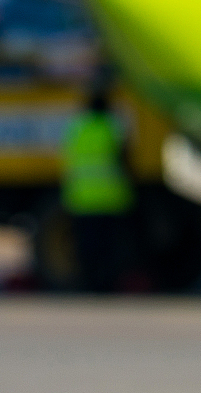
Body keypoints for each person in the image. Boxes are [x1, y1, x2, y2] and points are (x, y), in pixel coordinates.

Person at [62, 86, 134, 293]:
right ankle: (106, 283)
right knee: (108, 246)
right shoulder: (111, 127)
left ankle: (88, 282)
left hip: (82, 198)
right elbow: (124, 160)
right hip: (109, 198)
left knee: (87, 246)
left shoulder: (77, 127)